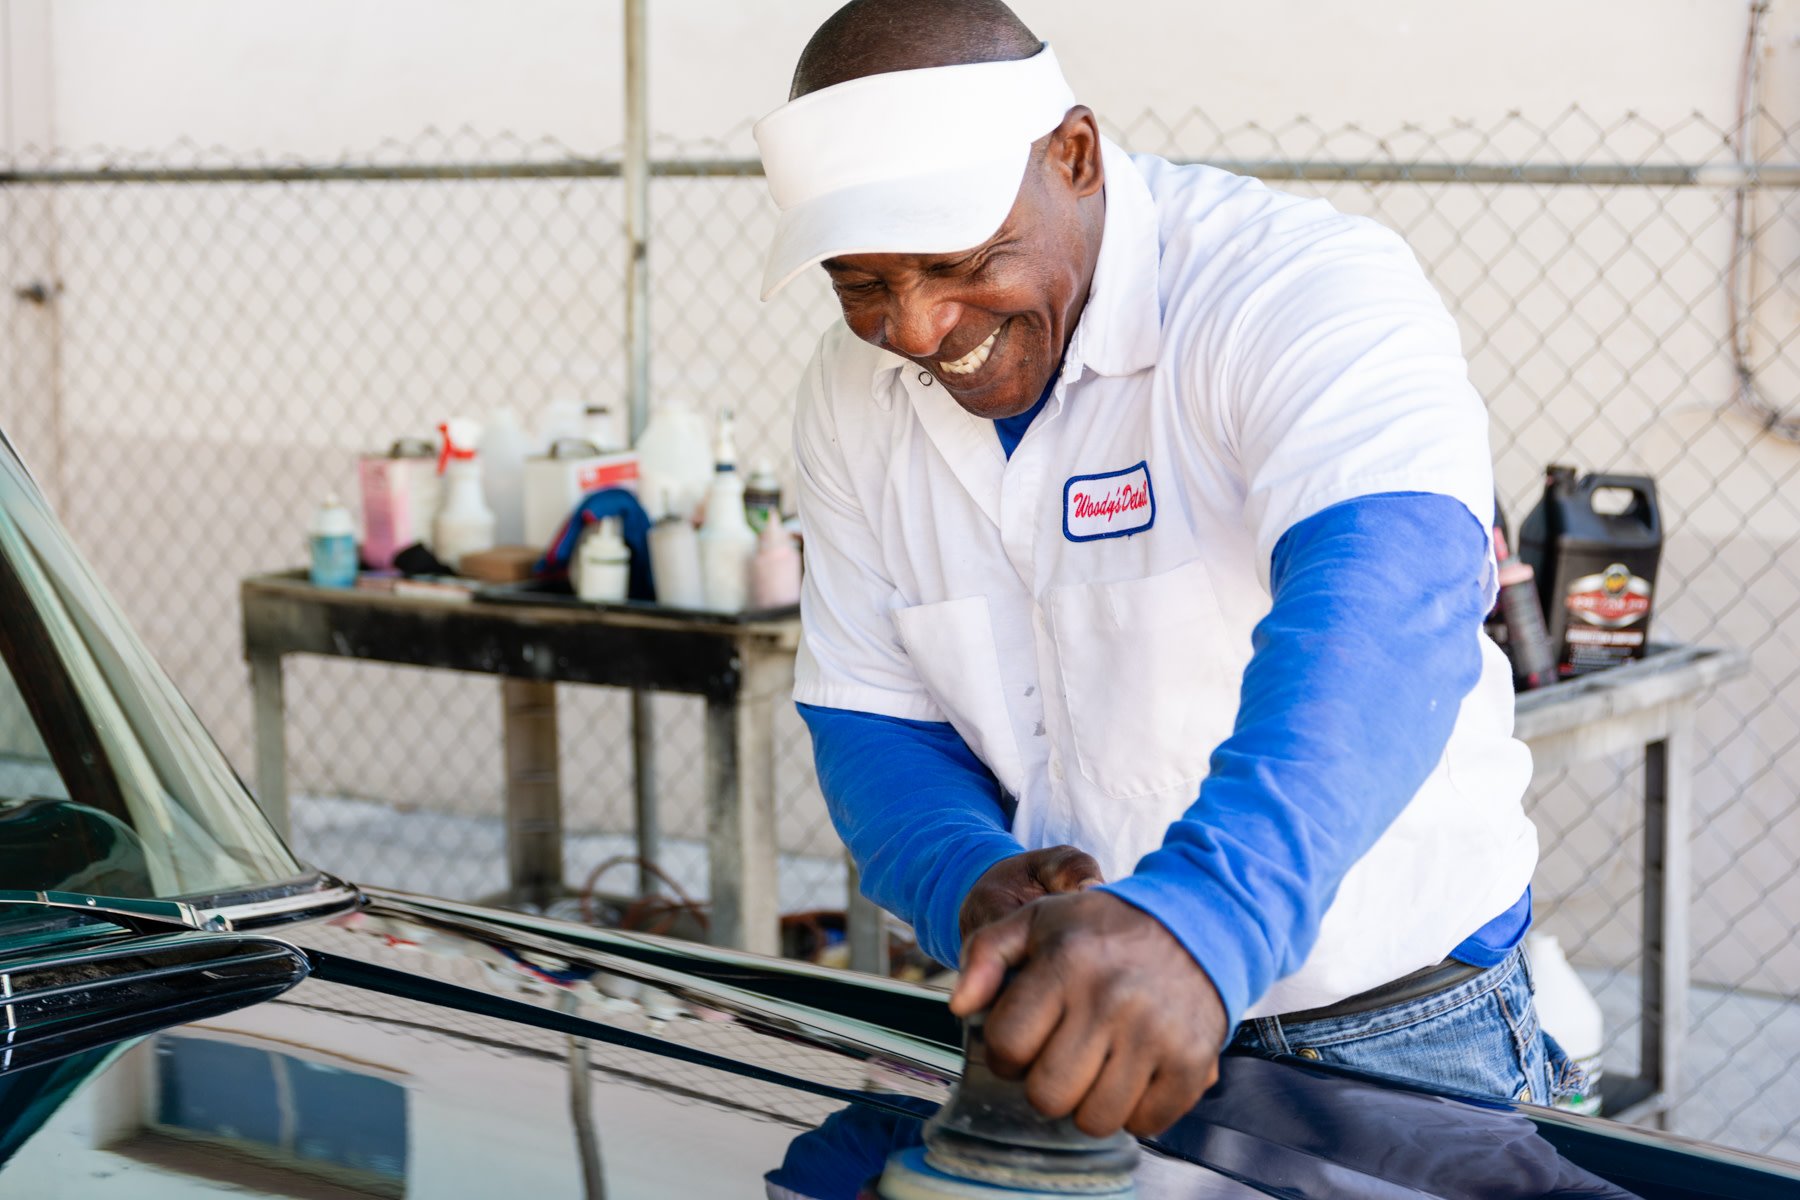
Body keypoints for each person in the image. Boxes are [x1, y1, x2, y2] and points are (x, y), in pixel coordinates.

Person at [756, 0, 1574, 1138]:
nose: (917, 327)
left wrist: (1207, 920)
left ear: (1075, 156)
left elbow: (1389, 608)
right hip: (1076, 1025)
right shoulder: (850, 399)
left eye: (957, 260)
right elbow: (870, 712)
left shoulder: (1295, 289)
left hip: (1386, 1035)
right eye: (862, 285)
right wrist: (968, 882)